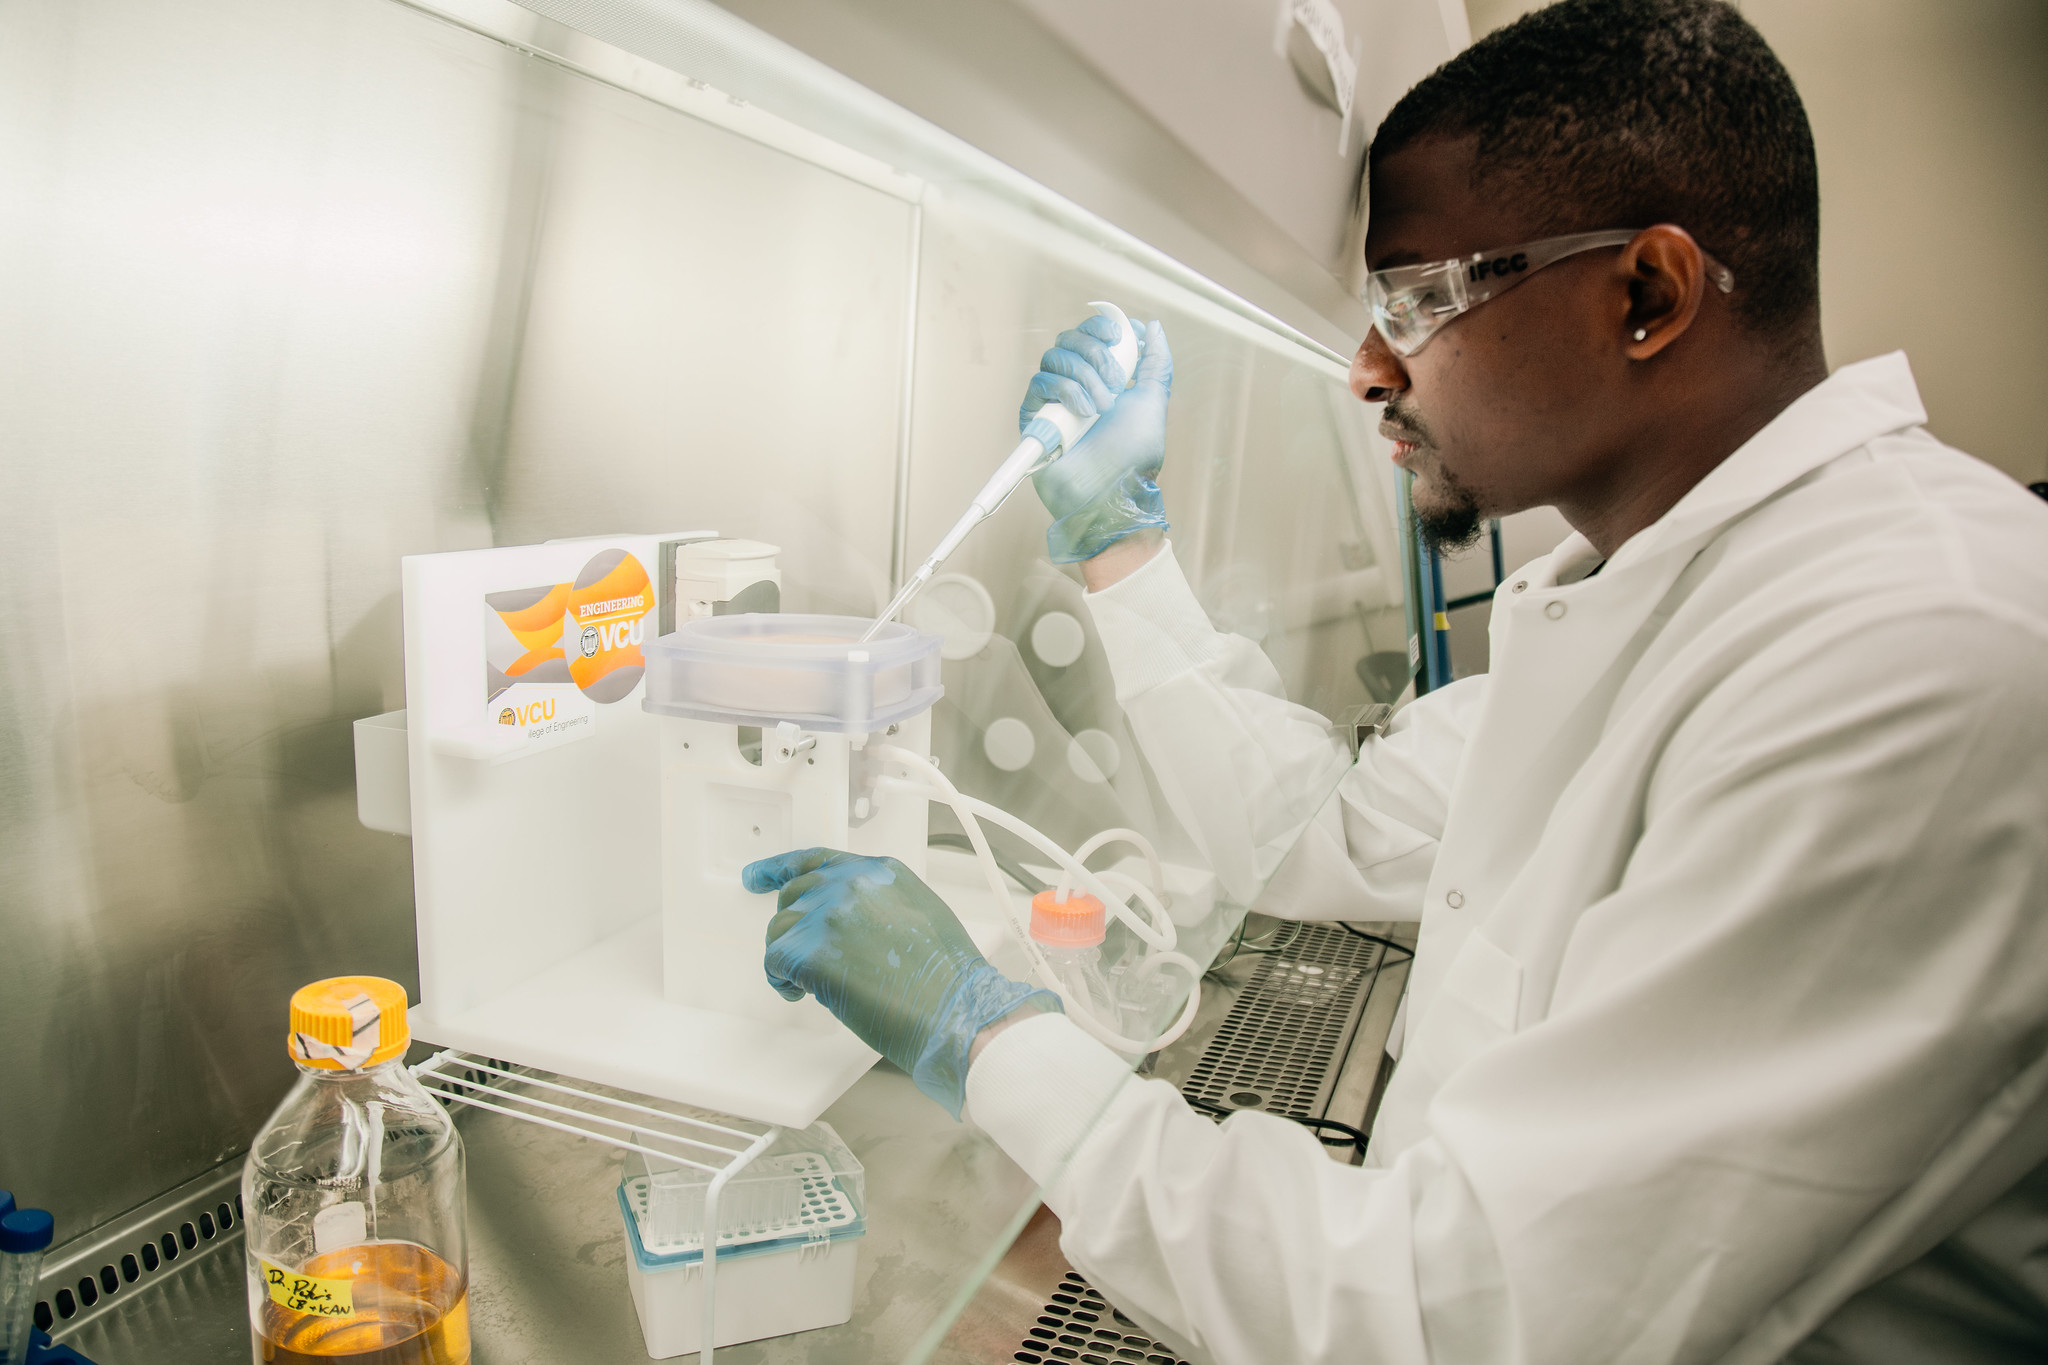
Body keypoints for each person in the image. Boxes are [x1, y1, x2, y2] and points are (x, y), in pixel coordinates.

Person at [742, 1, 2048, 1360]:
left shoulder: (1916, 658)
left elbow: (1464, 1320)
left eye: (1420, 299)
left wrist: (985, 1035)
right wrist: (1118, 542)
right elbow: (1327, 829)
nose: (1369, 370)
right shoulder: (1650, 602)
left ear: (1648, 296)